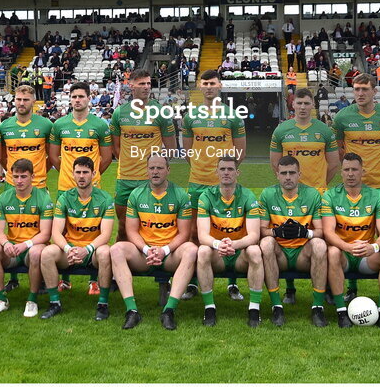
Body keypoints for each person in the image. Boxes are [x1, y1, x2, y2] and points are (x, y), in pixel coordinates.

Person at [331, 73, 380, 302]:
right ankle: (351, 286)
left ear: (375, 91)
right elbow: (342, 150)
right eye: (356, 89)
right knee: (351, 232)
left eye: (364, 89)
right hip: (354, 187)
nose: (359, 94)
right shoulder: (342, 117)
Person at [110, 154, 198, 330]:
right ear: (147, 171)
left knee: (191, 250)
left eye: (159, 168)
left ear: (168, 170)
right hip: (145, 255)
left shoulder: (180, 195)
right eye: (152, 168)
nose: (155, 172)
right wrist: (146, 250)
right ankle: (132, 311)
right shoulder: (136, 194)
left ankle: (169, 311)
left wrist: (164, 250)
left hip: (170, 254)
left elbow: (184, 233)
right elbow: (132, 231)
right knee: (116, 249)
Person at [181, 69, 246, 298]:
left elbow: (240, 151)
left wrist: (226, 174)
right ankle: (193, 282)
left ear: (220, 86)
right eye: (205, 83)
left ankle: (232, 282)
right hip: (198, 182)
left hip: (224, 185)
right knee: (193, 235)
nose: (209, 87)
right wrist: (201, 167)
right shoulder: (190, 116)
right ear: (200, 86)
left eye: (213, 83)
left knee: (231, 231)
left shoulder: (233, 116)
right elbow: (188, 151)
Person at [320, 153, 380, 330]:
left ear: (363, 171)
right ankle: (341, 311)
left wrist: (373, 247)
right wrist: (346, 246)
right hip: (343, 254)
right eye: (346, 170)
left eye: (354, 169)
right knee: (332, 251)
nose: (350, 173)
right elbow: (328, 232)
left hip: (366, 256)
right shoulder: (330, 196)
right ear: (341, 172)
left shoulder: (377, 196)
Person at [49, 81, 113, 291]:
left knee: (92, 229)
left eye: (81, 96)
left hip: (92, 187)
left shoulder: (100, 125)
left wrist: (90, 177)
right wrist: (70, 175)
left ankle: (94, 280)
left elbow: (105, 158)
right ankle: (65, 278)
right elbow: (53, 156)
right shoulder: (59, 125)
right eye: (74, 96)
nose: (77, 100)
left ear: (89, 99)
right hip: (65, 186)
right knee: (66, 230)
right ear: (70, 99)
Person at [39, 156, 115, 321]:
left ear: (93, 174)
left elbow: (106, 235)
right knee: (47, 253)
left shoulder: (105, 199)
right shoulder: (64, 198)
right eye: (78, 172)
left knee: (105, 252)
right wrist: (69, 249)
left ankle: (103, 304)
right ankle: (54, 303)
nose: (81, 176)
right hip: (71, 251)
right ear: (72, 174)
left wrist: (86, 249)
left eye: (86, 172)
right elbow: (56, 232)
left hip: (92, 250)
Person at [258, 155, 328, 328]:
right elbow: (261, 230)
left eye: (291, 173)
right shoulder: (267, 194)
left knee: (320, 245)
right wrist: (276, 232)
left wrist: (306, 233)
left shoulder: (312, 194)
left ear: (299, 174)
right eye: (283, 173)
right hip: (279, 254)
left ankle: (318, 307)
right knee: (266, 243)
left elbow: (320, 231)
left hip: (302, 254)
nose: (287, 177)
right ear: (277, 174)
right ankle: (277, 307)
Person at [195, 156, 264, 327]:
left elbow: (254, 235)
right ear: (216, 172)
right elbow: (202, 235)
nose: (226, 172)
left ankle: (254, 309)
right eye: (223, 169)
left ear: (237, 173)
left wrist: (234, 245)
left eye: (230, 169)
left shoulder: (248, 195)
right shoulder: (206, 196)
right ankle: (209, 308)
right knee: (203, 251)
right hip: (218, 254)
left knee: (255, 251)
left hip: (240, 254)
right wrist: (219, 245)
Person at [110, 70, 176, 243]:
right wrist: (128, 163)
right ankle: (121, 266)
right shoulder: (119, 113)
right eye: (142, 84)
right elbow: (115, 147)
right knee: (123, 228)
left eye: (148, 83)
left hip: (150, 181)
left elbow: (171, 149)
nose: (146, 87)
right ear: (131, 85)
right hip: (125, 179)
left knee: (152, 228)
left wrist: (157, 170)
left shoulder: (161, 112)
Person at [0, 158, 54, 318]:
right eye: (15, 176)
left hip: (32, 248)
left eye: (23, 176)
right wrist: (6, 243)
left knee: (37, 252)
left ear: (33, 177)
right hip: (12, 249)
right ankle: (1, 300)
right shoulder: (3, 198)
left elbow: (45, 234)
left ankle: (32, 300)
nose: (19, 180)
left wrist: (25, 245)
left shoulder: (43, 198)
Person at [270, 87, 340, 194]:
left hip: (318, 192)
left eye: (307, 103)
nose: (302, 107)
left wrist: (321, 184)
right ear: (293, 104)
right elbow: (275, 163)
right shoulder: (280, 130)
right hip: (291, 192)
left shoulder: (325, 130)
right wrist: (287, 182)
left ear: (313, 104)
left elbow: (334, 164)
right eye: (299, 103)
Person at [0, 84, 54, 191]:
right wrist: (13, 172)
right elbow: (2, 156)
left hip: (38, 184)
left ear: (33, 101)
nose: (22, 103)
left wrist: (40, 173)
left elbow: (51, 157)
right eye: (18, 99)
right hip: (12, 184)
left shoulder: (46, 125)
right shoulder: (4, 126)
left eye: (26, 100)